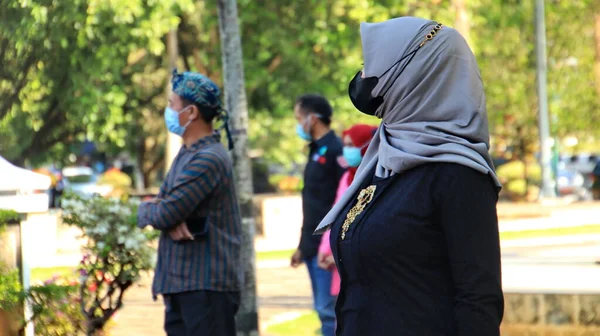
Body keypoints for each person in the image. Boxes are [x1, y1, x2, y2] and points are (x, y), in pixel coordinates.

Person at [314, 17, 504, 335]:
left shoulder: (458, 175)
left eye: (371, 66)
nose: (362, 77)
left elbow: (478, 300)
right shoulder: (381, 161)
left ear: (417, 76)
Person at [137, 70, 242, 336]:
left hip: (205, 288)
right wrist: (162, 213)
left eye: (172, 104)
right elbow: (163, 207)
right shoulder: (187, 153)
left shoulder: (208, 159)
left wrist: (160, 214)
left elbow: (165, 211)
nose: (168, 111)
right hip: (182, 284)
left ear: (191, 112)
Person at [291, 93, 345, 336]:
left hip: (328, 247)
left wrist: (333, 246)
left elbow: (344, 199)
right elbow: (312, 206)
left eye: (299, 118)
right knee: (322, 310)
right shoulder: (315, 151)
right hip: (313, 244)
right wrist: (302, 246)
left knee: (329, 312)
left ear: (312, 118)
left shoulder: (336, 150)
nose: (298, 124)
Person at [317, 124, 377, 297]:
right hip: (339, 262)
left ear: (367, 146)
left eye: (352, 145)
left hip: (362, 262)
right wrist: (326, 250)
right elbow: (336, 215)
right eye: (346, 145)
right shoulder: (347, 178)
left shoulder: (375, 178)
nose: (347, 150)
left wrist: (341, 254)